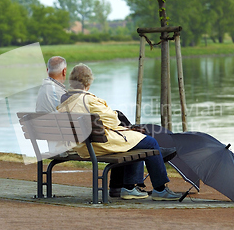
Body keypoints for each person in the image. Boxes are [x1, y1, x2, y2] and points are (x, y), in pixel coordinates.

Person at [57, 63, 181, 201]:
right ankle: (159, 189)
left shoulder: (64, 100)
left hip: (79, 146)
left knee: (135, 140)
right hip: (94, 145)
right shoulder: (88, 99)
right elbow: (113, 120)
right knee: (149, 142)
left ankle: (126, 188)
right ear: (88, 82)